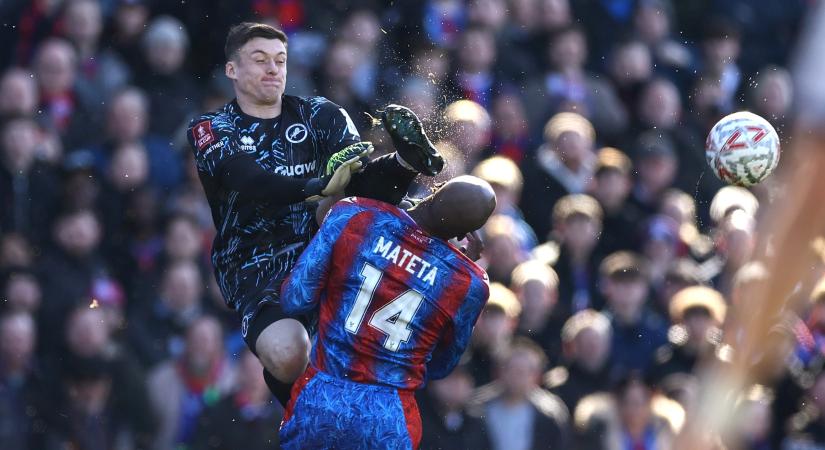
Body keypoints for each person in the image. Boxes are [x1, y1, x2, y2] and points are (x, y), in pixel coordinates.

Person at [187, 22, 444, 406]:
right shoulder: (210, 127)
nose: (273, 69)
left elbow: (359, 189)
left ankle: (407, 163)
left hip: (327, 253)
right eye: (259, 60)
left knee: (347, 205)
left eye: (280, 60)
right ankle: (305, 412)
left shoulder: (321, 114)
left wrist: (395, 168)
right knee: (290, 357)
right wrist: (315, 186)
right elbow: (250, 180)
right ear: (232, 70)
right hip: (255, 267)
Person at [278, 176, 496, 449]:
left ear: (436, 189)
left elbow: (295, 298)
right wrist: (460, 265)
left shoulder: (355, 213)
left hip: (320, 396)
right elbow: (442, 366)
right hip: (389, 417)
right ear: (468, 234)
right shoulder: (469, 282)